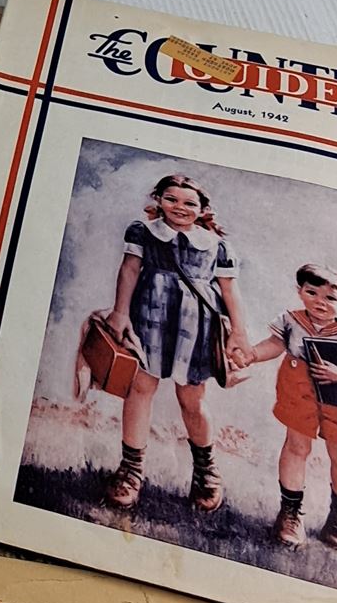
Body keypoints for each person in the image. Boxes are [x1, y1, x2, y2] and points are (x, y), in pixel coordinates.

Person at [100, 173, 249, 512]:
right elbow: (129, 270)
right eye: (171, 199)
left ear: (203, 208)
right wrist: (120, 313)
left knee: (192, 398)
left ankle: (206, 471)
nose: (179, 207)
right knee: (140, 388)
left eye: (189, 203)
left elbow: (229, 291)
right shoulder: (143, 232)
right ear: (158, 199)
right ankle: (131, 470)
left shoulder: (216, 245)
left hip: (195, 326)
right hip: (149, 316)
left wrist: (239, 332)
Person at [236, 264, 337, 550]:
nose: (320, 302)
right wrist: (252, 355)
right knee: (296, 446)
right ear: (300, 291)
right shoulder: (290, 321)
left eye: (330, 298)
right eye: (312, 292)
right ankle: (290, 515)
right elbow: (274, 344)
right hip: (298, 389)